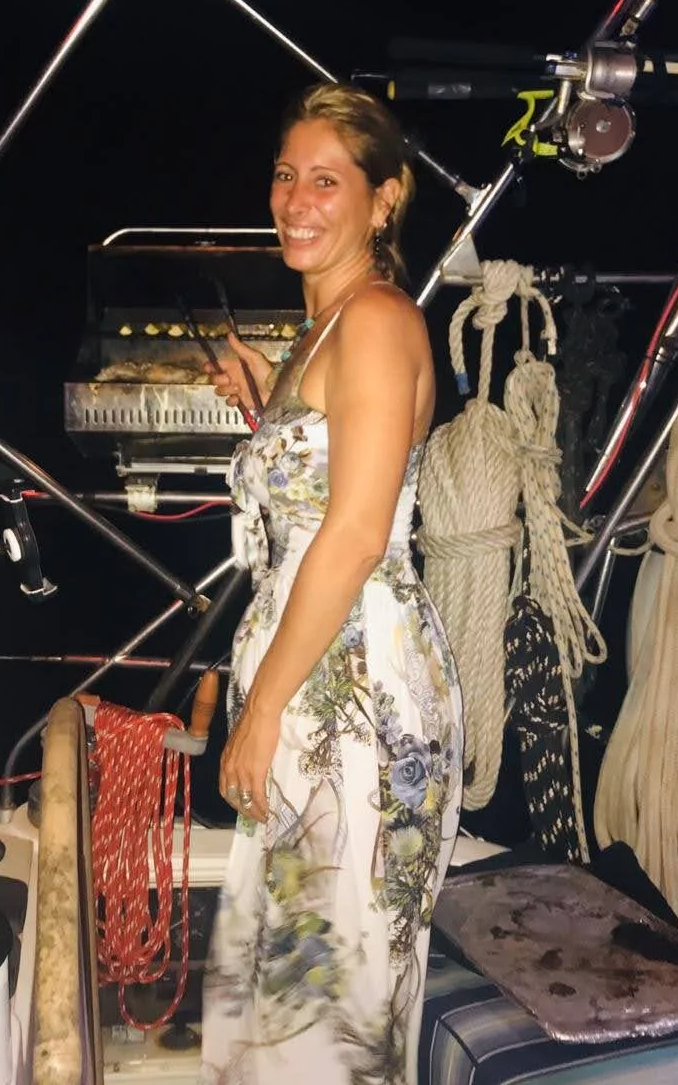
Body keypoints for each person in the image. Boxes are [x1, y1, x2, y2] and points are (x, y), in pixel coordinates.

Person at [199, 84, 462, 1085]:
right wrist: (267, 396)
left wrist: (262, 708)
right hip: (313, 678)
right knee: (292, 978)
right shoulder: (324, 330)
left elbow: (353, 533)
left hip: (355, 695)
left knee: (330, 994)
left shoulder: (381, 320)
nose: (295, 201)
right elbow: (323, 470)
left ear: (384, 199)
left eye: (326, 181)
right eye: (285, 175)